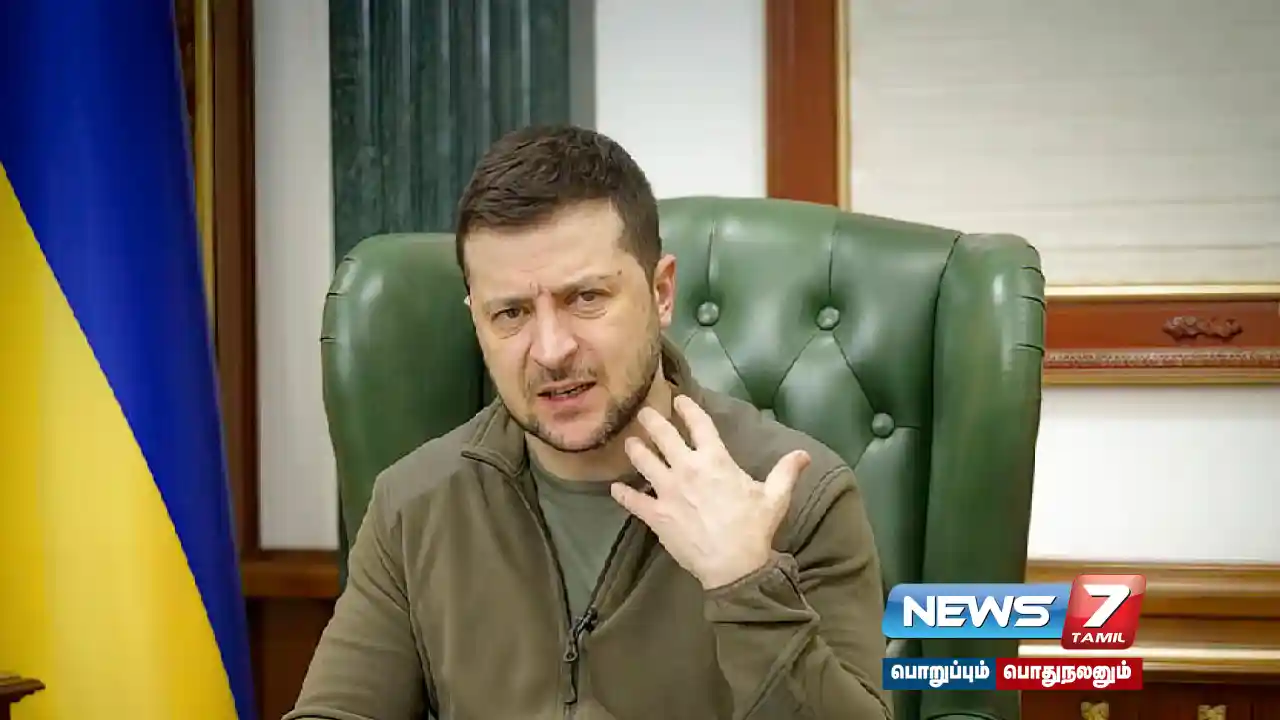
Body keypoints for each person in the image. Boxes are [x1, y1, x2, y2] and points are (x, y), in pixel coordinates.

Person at [285, 125, 892, 720]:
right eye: (511, 313)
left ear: (661, 293)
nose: (551, 350)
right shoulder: (413, 505)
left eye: (585, 299)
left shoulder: (796, 497)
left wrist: (748, 584)